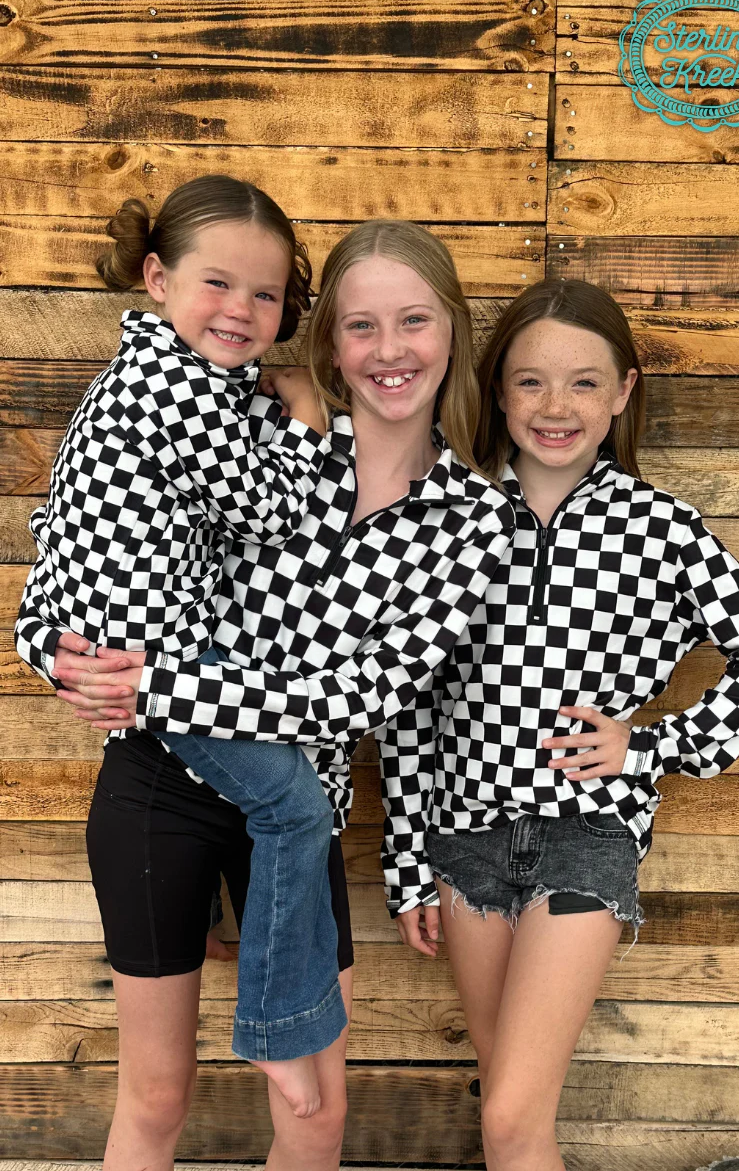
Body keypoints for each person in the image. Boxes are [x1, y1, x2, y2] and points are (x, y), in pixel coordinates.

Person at [36, 220, 517, 1171]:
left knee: (316, 1116)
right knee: (155, 1097)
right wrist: (50, 649)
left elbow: (356, 700)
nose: (389, 351)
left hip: (298, 807)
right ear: (328, 341)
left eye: (414, 321)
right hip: (160, 785)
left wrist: (161, 686)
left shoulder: (477, 520)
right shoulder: (258, 432)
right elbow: (88, 533)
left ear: (452, 330)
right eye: (361, 326)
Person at [379, 279, 739, 1171]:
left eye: (584, 382)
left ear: (623, 392)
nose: (556, 406)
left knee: (510, 1120)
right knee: (509, 1114)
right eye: (530, 381)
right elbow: (408, 707)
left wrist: (649, 745)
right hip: (463, 841)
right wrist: (409, 863)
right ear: (497, 389)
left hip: (586, 837)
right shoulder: (445, 519)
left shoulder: (660, 529)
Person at [15, 173, 355, 1115]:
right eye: (218, 283)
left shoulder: (178, 383)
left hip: (153, 666)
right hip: (159, 673)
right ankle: (277, 1028)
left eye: (266, 293)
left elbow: (61, 531)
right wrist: (308, 416)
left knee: (280, 805)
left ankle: (229, 938)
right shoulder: (170, 389)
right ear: (158, 278)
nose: (242, 309)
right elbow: (271, 509)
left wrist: (46, 638)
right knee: (293, 807)